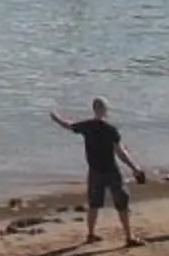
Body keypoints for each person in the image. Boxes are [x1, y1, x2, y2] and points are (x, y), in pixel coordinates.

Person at [49, 97, 148, 247]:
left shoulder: (87, 126)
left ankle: (91, 234)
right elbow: (120, 153)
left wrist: (55, 118)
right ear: (105, 110)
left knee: (94, 204)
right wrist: (135, 168)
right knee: (122, 204)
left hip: (94, 171)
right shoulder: (111, 130)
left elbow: (68, 126)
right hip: (111, 171)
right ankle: (129, 236)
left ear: (94, 109)